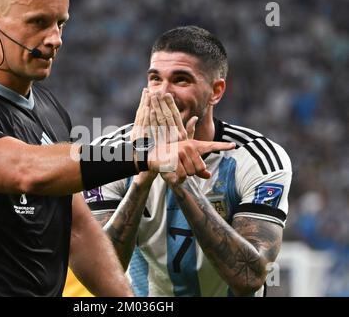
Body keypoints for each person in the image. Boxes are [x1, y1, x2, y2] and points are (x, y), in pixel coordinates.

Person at [0, 0, 233, 296]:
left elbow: (79, 231)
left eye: (60, 23)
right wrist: (140, 154)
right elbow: (23, 170)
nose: (55, 39)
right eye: (38, 23)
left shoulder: (50, 110)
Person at [82, 26, 293, 297]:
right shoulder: (107, 153)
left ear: (216, 91)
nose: (163, 92)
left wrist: (181, 184)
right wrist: (142, 172)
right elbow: (99, 272)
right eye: (155, 79)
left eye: (181, 80)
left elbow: (250, 277)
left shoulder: (259, 159)